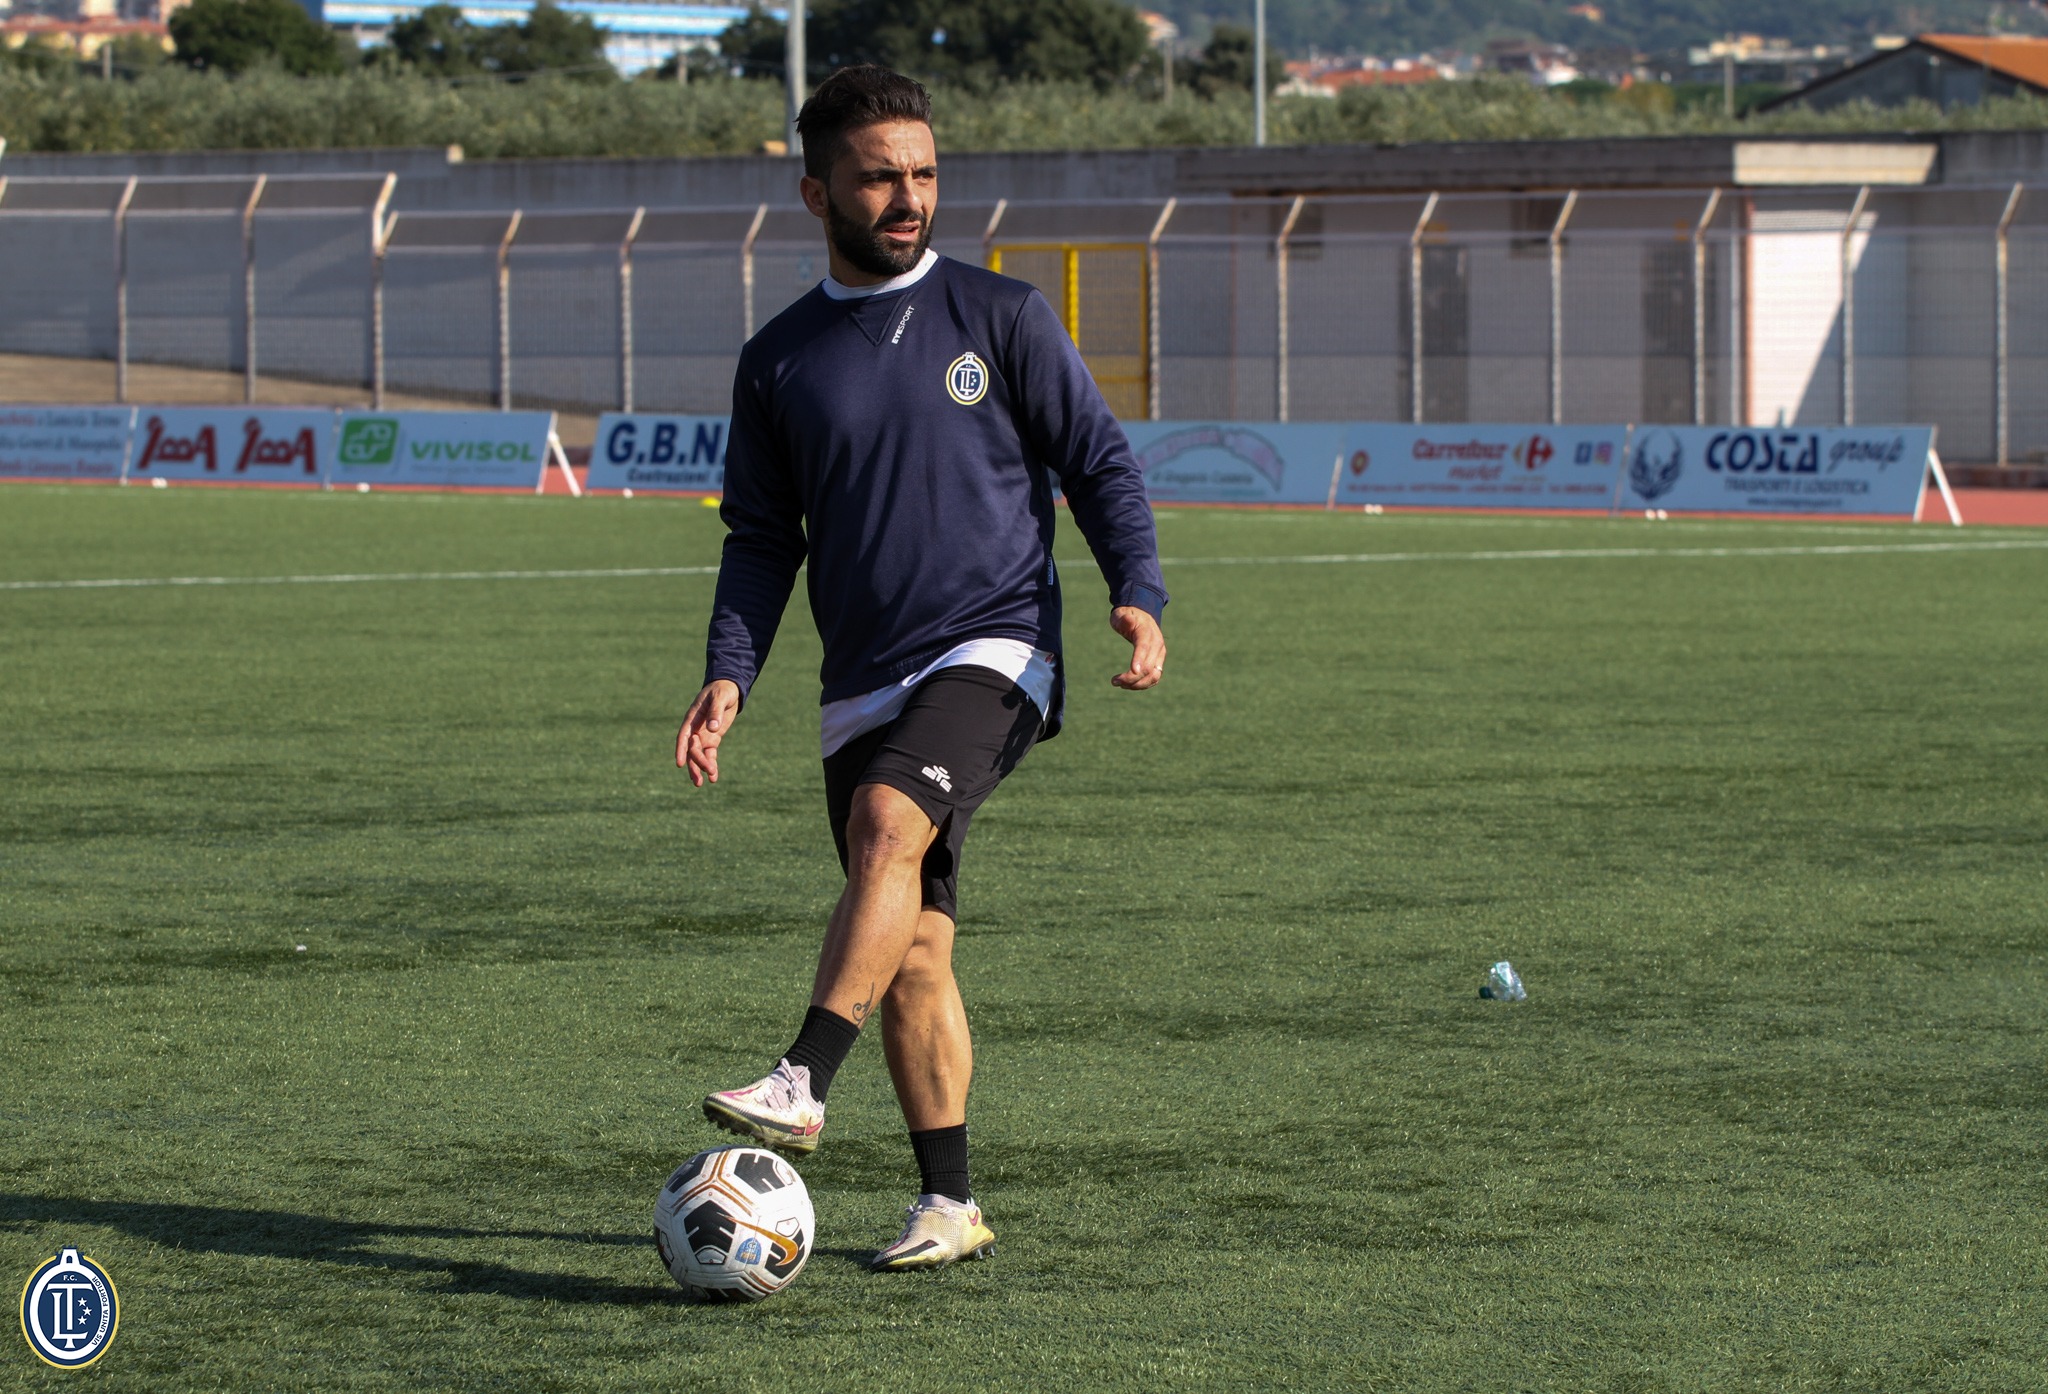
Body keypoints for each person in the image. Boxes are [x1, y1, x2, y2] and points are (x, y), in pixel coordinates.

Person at [676, 63, 1167, 1272]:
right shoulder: (777, 359)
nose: (907, 195)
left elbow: (1097, 461)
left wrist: (1136, 593)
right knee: (914, 948)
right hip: (860, 677)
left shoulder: (999, 316)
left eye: (924, 172)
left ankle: (800, 1074)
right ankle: (948, 1202)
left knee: (891, 822)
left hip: (997, 644)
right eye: (879, 175)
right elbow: (758, 538)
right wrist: (730, 669)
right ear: (816, 192)